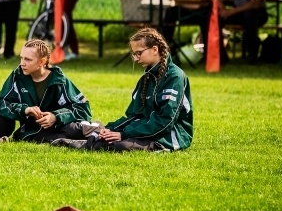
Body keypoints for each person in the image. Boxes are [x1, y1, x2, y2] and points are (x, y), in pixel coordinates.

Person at [52, 27, 193, 151]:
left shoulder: (175, 77)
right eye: (134, 54)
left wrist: (123, 134)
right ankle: (91, 134)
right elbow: (133, 115)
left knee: (121, 145)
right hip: (145, 129)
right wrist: (111, 129)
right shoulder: (146, 78)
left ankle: (82, 144)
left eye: (139, 53)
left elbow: (165, 122)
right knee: (107, 133)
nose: (136, 59)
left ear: (154, 50)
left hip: (169, 136)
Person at [0, 39, 93, 143]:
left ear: (42, 62)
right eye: (21, 58)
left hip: (59, 127)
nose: (22, 63)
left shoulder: (59, 80)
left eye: (28, 59)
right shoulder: (17, 76)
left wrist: (56, 117)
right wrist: (24, 110)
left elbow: (84, 109)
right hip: (29, 133)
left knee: (74, 129)